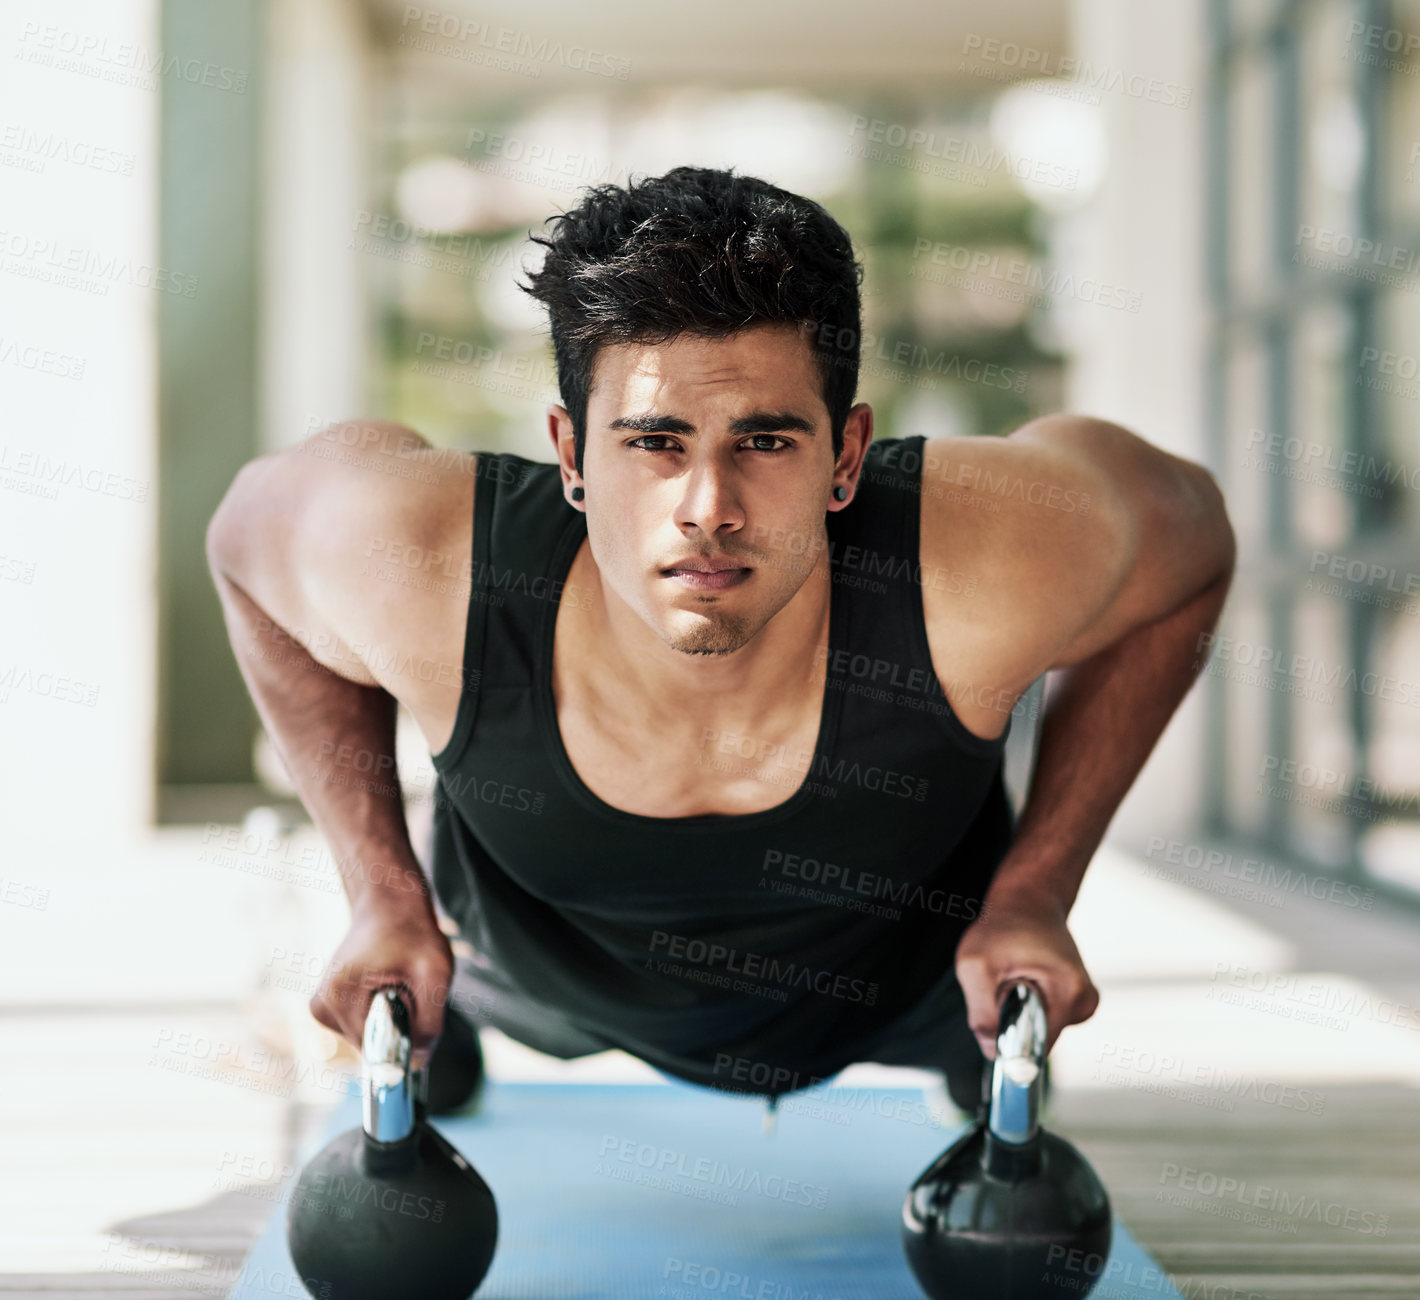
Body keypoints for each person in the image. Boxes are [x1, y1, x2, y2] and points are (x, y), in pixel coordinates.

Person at [206, 166, 1235, 1121]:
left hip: (912, 993)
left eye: (767, 440)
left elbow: (1190, 552)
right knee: (451, 999)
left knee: (967, 1048)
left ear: (847, 455)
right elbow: (246, 548)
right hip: (524, 973)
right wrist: (380, 891)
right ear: (568, 452)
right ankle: (447, 1023)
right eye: (654, 442)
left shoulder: (985, 558)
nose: (709, 507)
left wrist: (1036, 891)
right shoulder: (425, 562)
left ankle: (970, 1038)